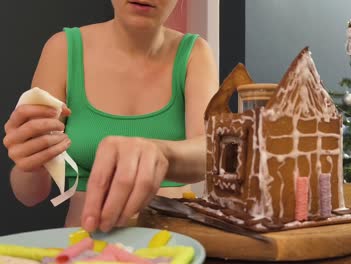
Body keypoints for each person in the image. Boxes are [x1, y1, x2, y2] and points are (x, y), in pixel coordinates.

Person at [2, 0, 218, 233]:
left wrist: (160, 152)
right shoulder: (62, 49)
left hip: (173, 247)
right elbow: (30, 195)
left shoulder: (195, 52)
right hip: (85, 251)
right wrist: (29, 163)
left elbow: (208, 153)